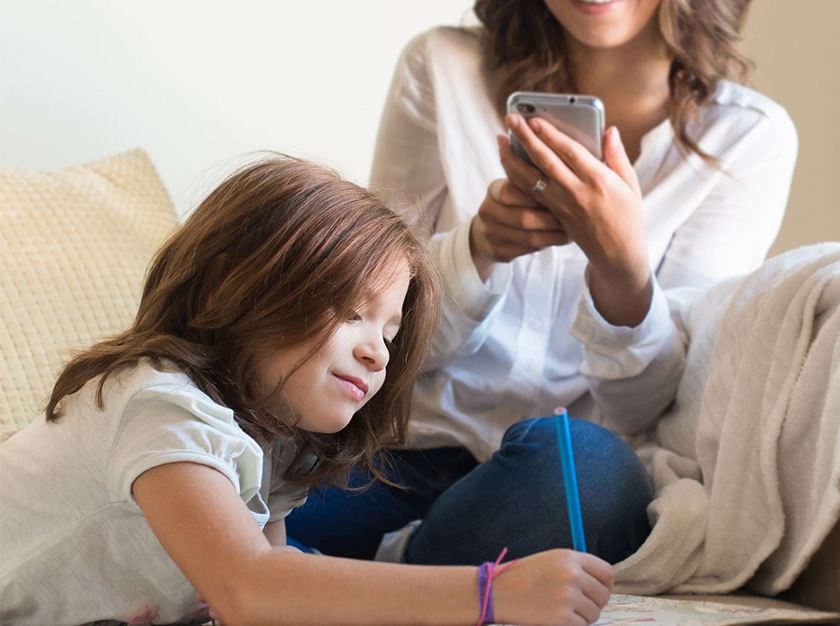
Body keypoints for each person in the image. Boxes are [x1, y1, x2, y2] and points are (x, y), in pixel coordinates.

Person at [288, 0, 798, 568]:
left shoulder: (744, 140)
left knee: (591, 475)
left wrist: (623, 271)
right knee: (193, 518)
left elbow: (654, 405)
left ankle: (388, 577)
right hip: (396, 452)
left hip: (556, 475)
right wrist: (478, 248)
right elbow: (372, 335)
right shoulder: (442, 71)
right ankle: (397, 577)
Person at [0, 157, 613, 626]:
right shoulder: (160, 406)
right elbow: (252, 590)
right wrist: (490, 592)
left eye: (391, 333)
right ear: (233, 289)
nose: (379, 352)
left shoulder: (279, 443)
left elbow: (271, 602)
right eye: (351, 313)